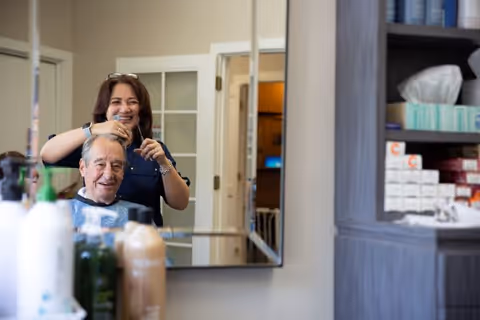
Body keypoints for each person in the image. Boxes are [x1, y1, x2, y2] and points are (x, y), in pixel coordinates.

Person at [40, 73, 190, 226]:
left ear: (140, 110)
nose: (125, 109)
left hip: (141, 237)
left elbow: (180, 203)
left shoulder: (155, 151)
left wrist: (163, 163)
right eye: (116, 102)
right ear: (105, 109)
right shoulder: (92, 144)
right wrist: (93, 129)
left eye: (132, 102)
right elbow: (47, 153)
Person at [70, 134, 147, 228]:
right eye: (100, 164)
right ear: (82, 168)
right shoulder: (59, 215)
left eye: (116, 166)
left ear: (123, 172)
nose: (108, 175)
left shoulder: (140, 217)